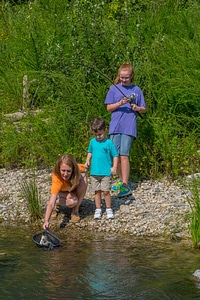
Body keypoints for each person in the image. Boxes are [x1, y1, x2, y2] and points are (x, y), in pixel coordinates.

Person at [105, 62, 146, 197]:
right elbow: (109, 108)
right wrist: (120, 103)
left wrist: (137, 108)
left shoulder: (137, 90)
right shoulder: (113, 89)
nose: (124, 80)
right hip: (115, 126)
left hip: (129, 127)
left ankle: (125, 184)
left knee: (124, 155)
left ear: (131, 76)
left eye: (126, 77)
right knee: (114, 155)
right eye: (122, 77)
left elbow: (144, 109)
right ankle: (121, 180)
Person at [84, 118, 118, 220]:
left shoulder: (109, 143)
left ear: (105, 130)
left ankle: (108, 209)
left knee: (106, 191)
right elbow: (90, 152)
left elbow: (115, 155)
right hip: (94, 172)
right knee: (97, 191)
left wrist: (114, 167)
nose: (98, 137)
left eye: (100, 134)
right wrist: (87, 161)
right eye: (96, 135)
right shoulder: (92, 142)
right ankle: (98, 209)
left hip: (106, 172)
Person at [43, 154, 87, 230]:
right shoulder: (57, 178)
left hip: (70, 190)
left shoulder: (77, 168)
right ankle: (56, 206)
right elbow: (51, 203)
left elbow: (87, 168)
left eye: (68, 171)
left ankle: (75, 210)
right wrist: (46, 221)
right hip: (60, 193)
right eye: (63, 170)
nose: (65, 174)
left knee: (84, 180)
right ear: (59, 168)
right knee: (72, 202)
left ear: (73, 169)